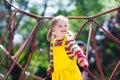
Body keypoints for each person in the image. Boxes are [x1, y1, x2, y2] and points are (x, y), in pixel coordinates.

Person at [46, 15, 89, 80]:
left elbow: (76, 49)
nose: (63, 28)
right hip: (58, 75)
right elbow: (52, 58)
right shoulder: (53, 43)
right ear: (53, 29)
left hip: (69, 74)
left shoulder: (68, 40)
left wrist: (81, 59)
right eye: (60, 26)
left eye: (65, 25)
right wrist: (50, 68)